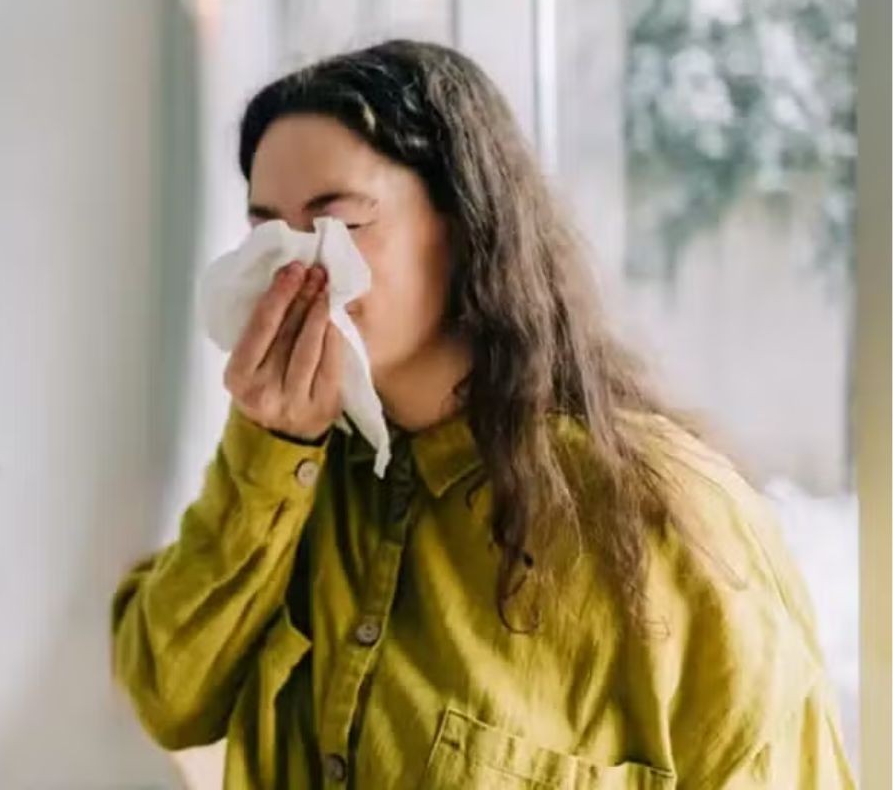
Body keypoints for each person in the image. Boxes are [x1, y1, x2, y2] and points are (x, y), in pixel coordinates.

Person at [111, 40, 855, 788]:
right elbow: (170, 696)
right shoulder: (298, 477)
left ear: (465, 228)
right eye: (268, 231)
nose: (295, 268)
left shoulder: (665, 516)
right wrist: (271, 445)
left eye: (339, 224)